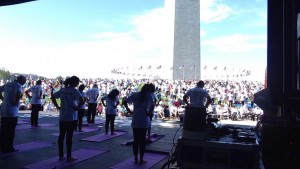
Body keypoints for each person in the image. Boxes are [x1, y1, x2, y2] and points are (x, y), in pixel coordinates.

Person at [51, 76, 84, 162]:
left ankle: (61, 155)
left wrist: (58, 106)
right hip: (71, 117)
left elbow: (53, 97)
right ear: (76, 83)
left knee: (61, 136)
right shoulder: (75, 91)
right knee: (69, 137)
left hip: (62, 116)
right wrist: (77, 108)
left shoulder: (63, 90)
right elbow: (82, 100)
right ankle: (69, 156)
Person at [122, 84, 155, 165]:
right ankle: (141, 159)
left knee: (135, 140)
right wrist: (149, 113)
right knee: (142, 141)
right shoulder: (149, 96)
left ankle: (136, 159)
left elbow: (124, 102)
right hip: (144, 119)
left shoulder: (135, 94)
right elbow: (153, 105)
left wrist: (130, 111)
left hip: (136, 119)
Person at [0, 75, 26, 153]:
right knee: (11, 130)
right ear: (21, 81)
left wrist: (3, 99)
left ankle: (2, 146)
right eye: (24, 81)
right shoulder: (18, 86)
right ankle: (9, 147)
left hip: (4, 109)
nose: (24, 83)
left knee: (3, 129)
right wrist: (15, 102)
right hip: (12, 111)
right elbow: (18, 94)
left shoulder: (8, 84)